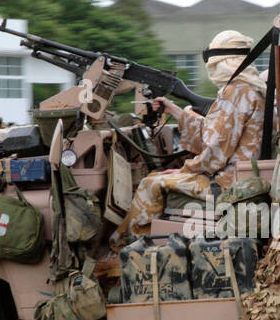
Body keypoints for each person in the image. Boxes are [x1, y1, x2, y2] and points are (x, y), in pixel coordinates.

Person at [109, 30, 265, 248]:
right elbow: (217, 133)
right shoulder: (251, 90)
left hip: (227, 183)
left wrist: (185, 170)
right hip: (241, 178)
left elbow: (214, 153)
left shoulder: (235, 92)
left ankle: (132, 249)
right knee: (159, 176)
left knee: (149, 183)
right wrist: (176, 111)